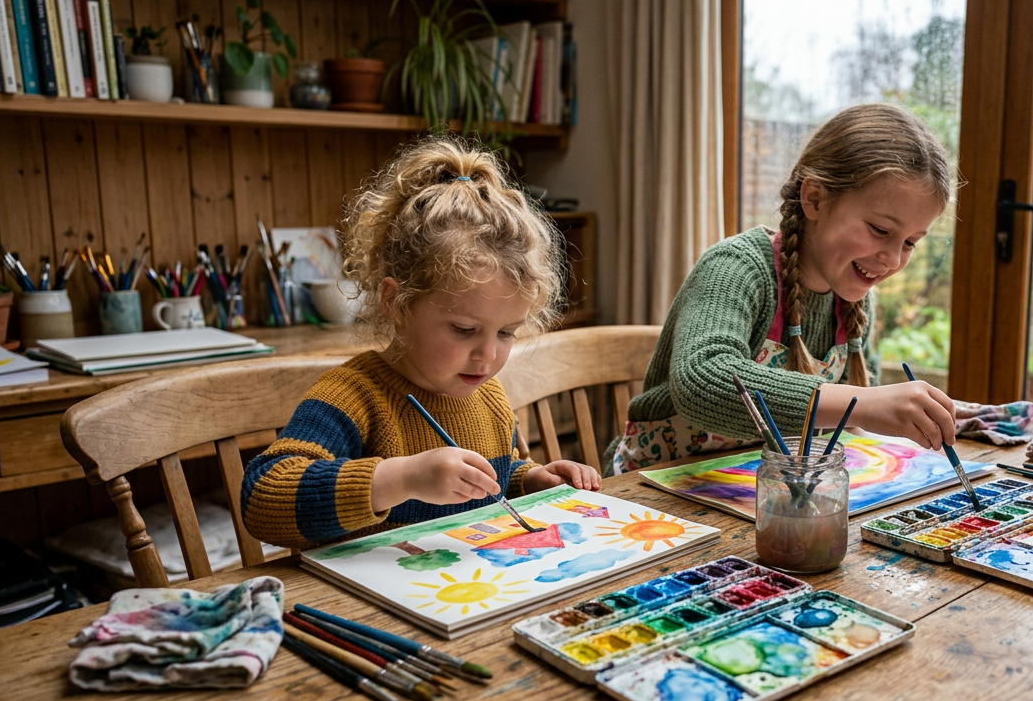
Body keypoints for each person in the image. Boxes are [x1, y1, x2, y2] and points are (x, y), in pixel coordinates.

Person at [242, 136, 600, 549]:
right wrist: (401, 478)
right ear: (397, 302)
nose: (488, 355)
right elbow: (262, 498)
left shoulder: (488, 399)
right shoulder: (353, 397)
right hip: (365, 603)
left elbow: (490, 480)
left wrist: (530, 479)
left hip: (463, 597)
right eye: (464, 330)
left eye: (506, 333)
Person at [608, 103, 958, 474]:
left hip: (761, 487)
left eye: (910, 243)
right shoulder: (737, 268)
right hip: (659, 489)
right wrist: (864, 403)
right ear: (815, 199)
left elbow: (851, 427)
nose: (892, 258)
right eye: (881, 230)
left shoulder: (854, 301)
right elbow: (701, 381)